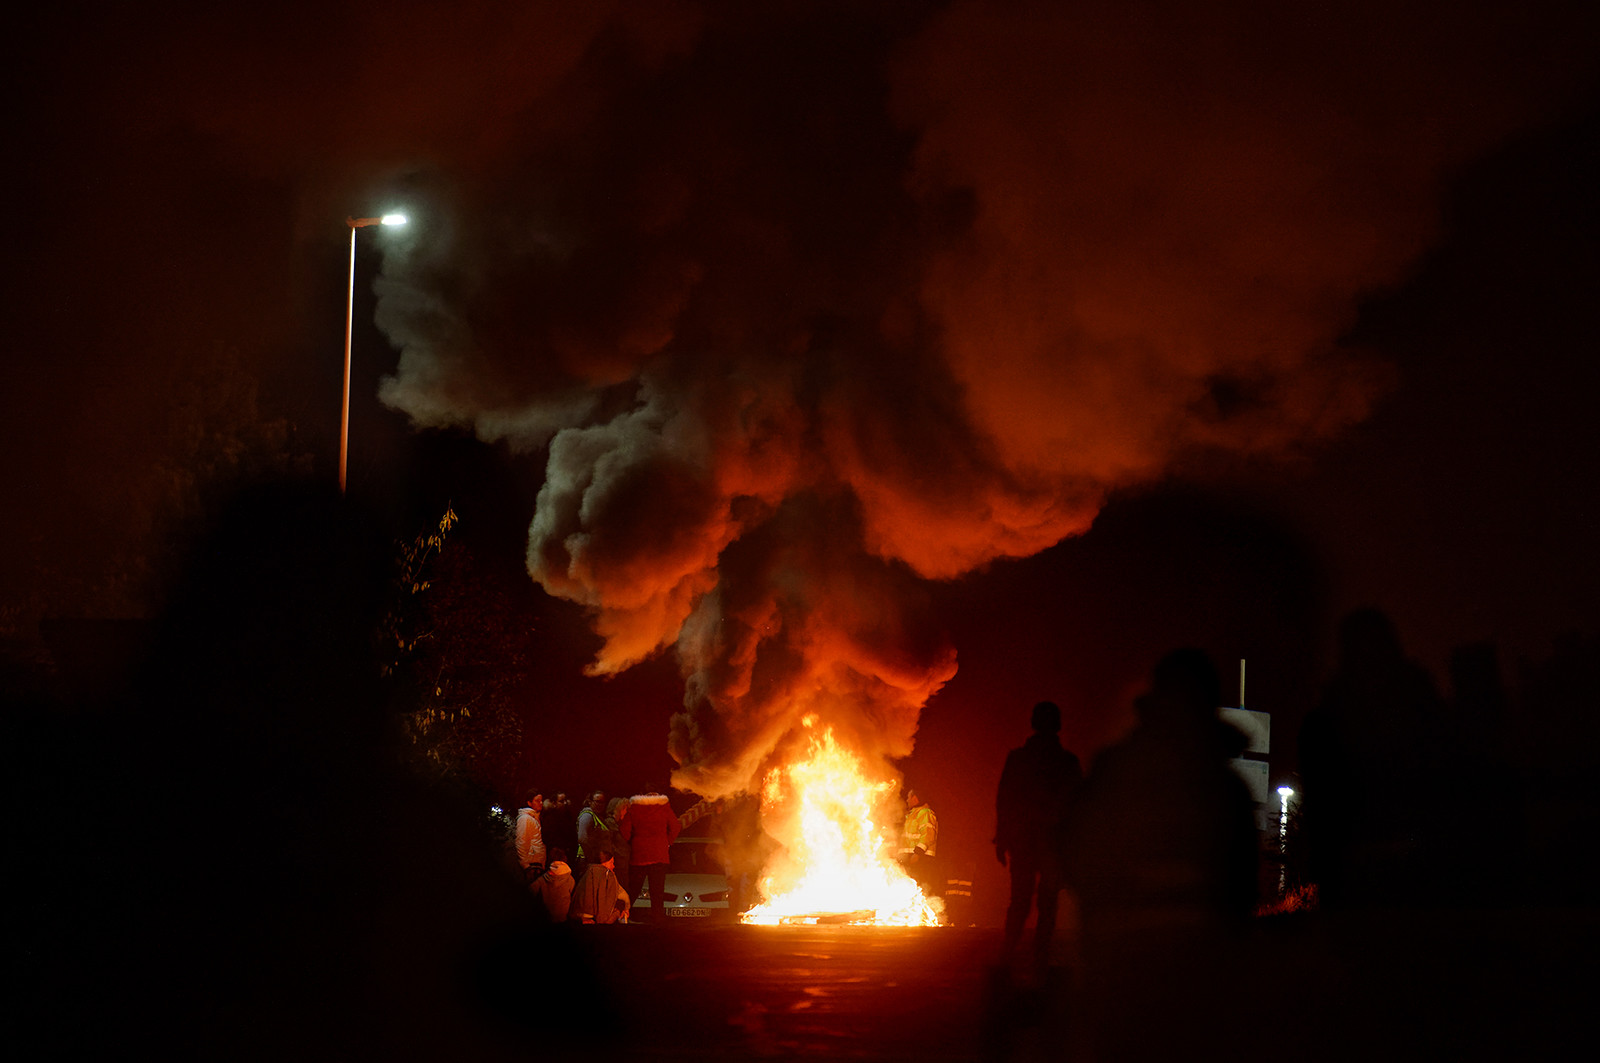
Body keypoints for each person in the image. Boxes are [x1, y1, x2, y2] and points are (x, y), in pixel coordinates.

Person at [994, 700, 1083, 966]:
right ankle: (1039, 957)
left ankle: (1008, 955)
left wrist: (1002, 838)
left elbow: (1004, 801)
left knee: (1020, 900)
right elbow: (1077, 806)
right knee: (1047, 903)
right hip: (1052, 844)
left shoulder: (1019, 759)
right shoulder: (1067, 762)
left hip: (1026, 841)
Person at [621, 790, 681, 923]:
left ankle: (622, 914)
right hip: (659, 854)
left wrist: (632, 842)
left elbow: (624, 831)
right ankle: (657, 918)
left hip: (639, 854)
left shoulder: (634, 807)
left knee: (634, 888)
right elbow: (676, 826)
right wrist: (667, 843)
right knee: (657, 891)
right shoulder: (664, 807)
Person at [569, 844, 630, 925]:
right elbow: (623, 896)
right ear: (604, 863)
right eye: (611, 863)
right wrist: (626, 908)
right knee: (620, 904)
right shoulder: (608, 875)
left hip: (578, 915)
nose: (613, 866)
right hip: (597, 918)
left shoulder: (586, 872)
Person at [899, 788, 941, 898]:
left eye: (909, 797)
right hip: (910, 858)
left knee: (918, 890)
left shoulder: (925, 812)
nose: (907, 800)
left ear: (915, 798)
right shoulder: (912, 814)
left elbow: (928, 835)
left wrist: (917, 853)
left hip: (920, 859)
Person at [530, 847, 576, 923]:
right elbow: (573, 896)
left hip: (546, 917)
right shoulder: (570, 879)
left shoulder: (543, 879)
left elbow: (530, 891)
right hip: (563, 917)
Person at [575, 790, 610, 875]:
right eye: (597, 801)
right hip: (587, 859)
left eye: (602, 802)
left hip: (596, 858)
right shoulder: (587, 816)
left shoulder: (598, 816)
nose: (600, 805)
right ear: (590, 801)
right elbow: (582, 839)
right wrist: (591, 857)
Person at [515, 789, 547, 883]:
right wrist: (526, 866)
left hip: (537, 864)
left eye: (541, 800)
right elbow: (521, 841)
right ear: (529, 803)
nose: (541, 803)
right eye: (537, 801)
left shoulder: (534, 818)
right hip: (532, 864)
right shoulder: (525, 819)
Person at [605, 796, 632, 891]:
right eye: (624, 809)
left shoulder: (619, 824)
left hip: (623, 862)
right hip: (617, 864)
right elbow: (609, 843)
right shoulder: (610, 824)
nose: (626, 811)